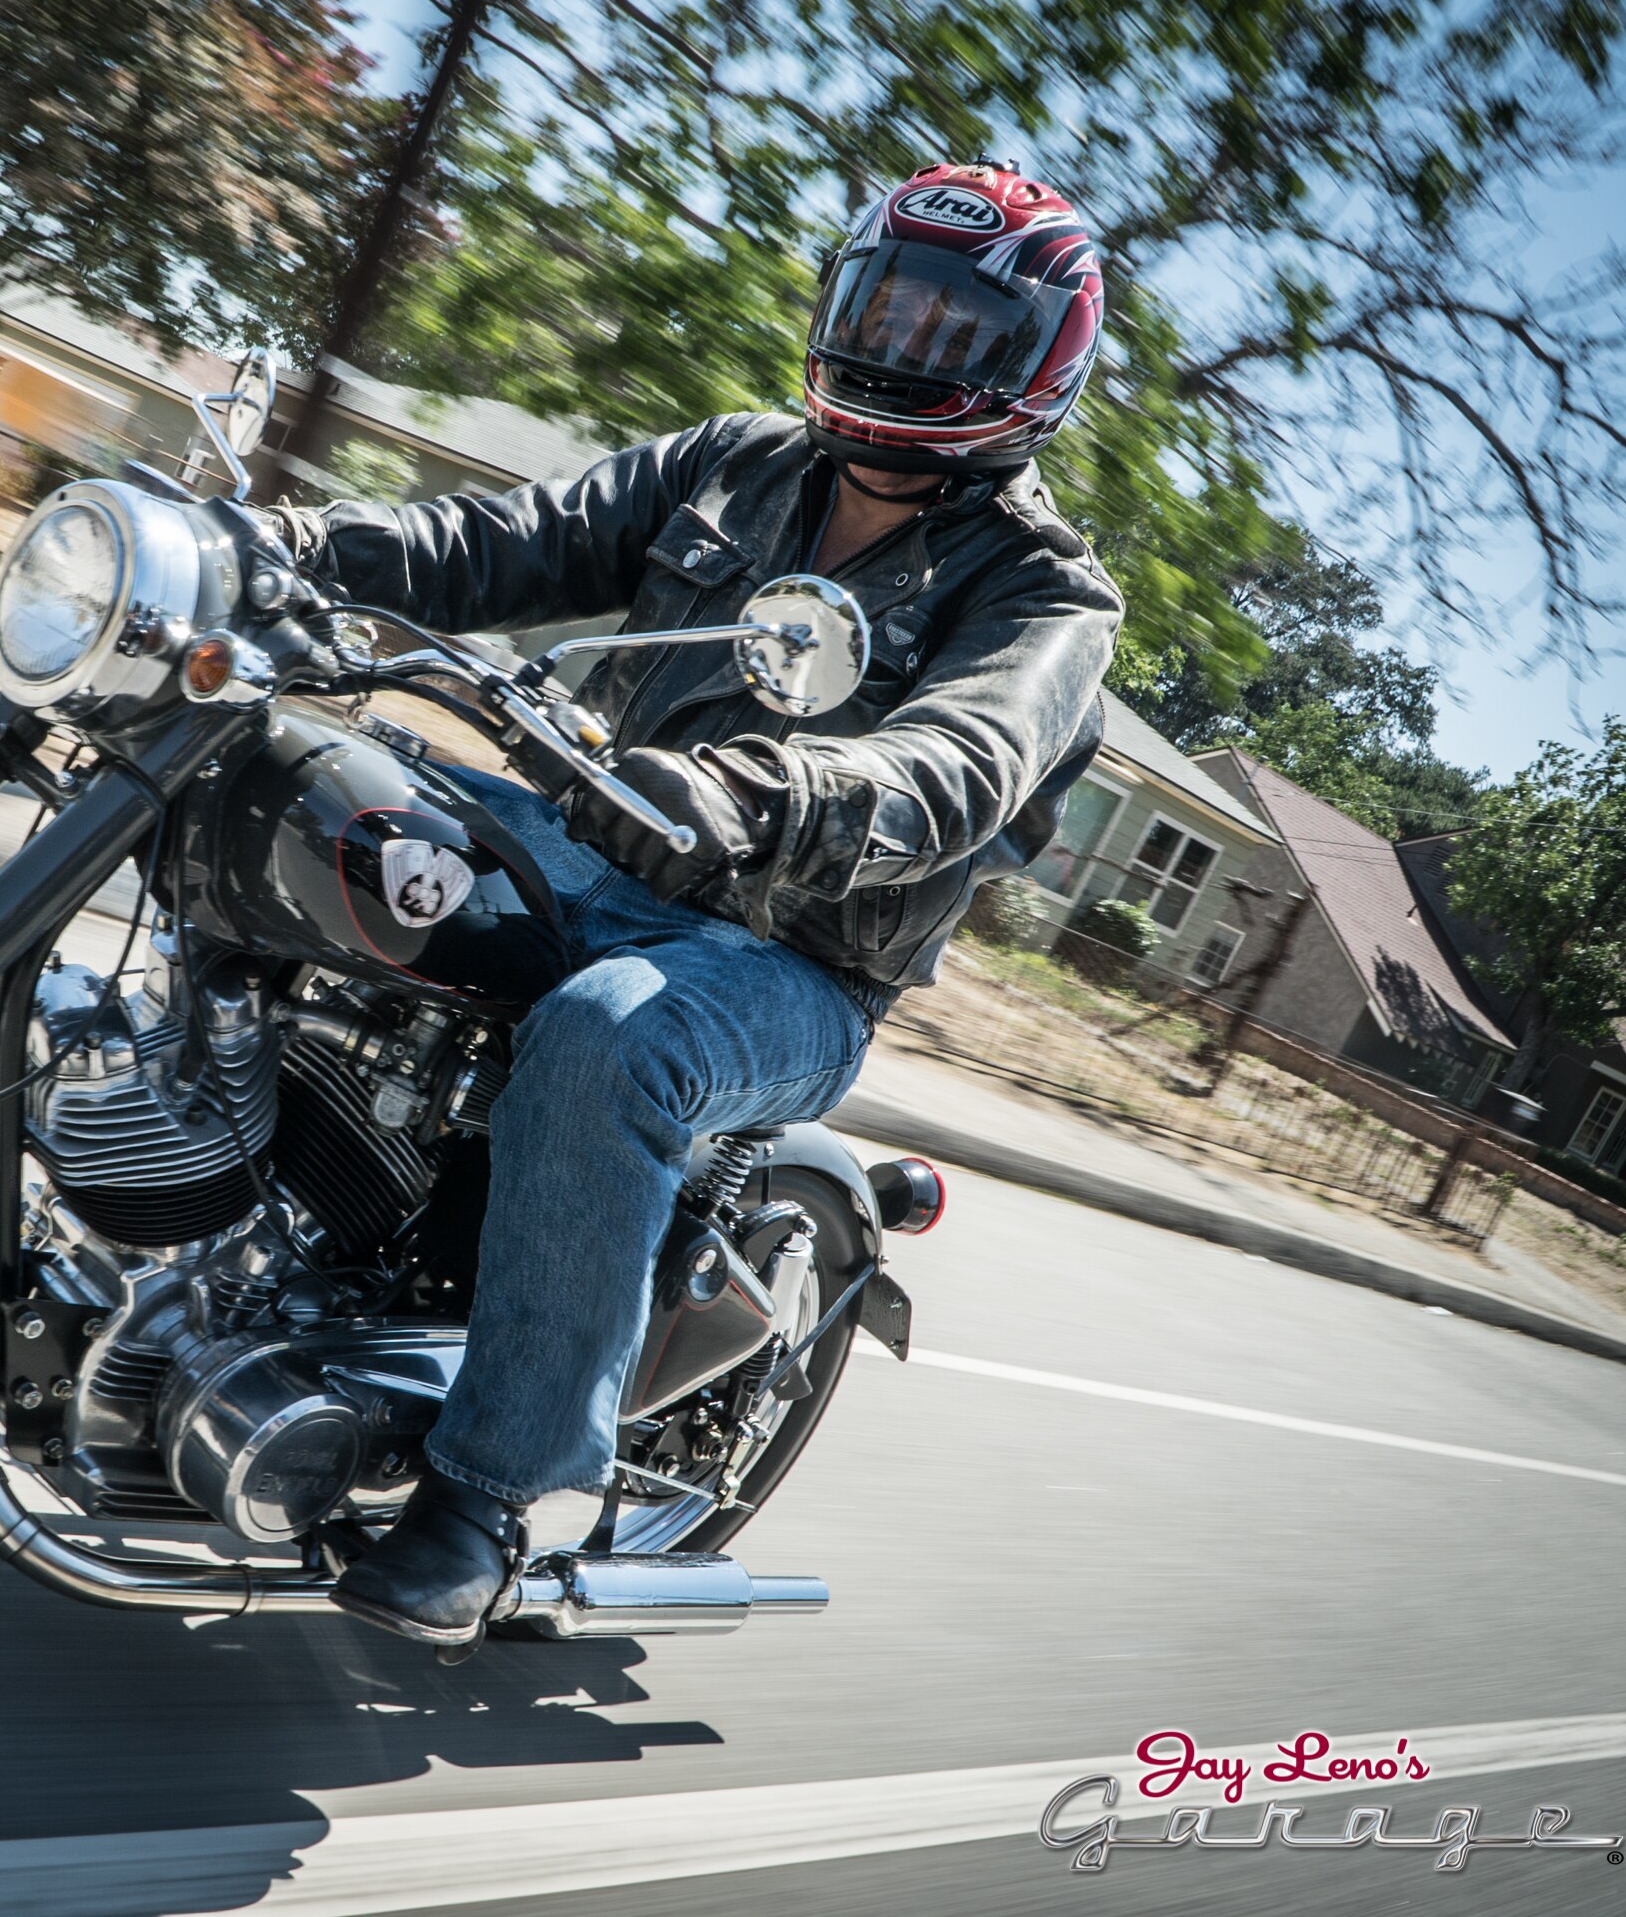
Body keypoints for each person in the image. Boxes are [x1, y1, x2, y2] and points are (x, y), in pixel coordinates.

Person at [263, 161, 1124, 1647]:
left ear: (1031, 361)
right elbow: (498, 545)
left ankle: (490, 1501)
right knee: (293, 778)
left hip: (785, 963)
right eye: (890, 306)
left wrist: (775, 790)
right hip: (592, 852)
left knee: (611, 1039)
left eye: (954, 329)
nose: (908, 345)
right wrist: (289, 548)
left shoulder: (1048, 597)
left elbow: (966, 759)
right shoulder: (739, 462)